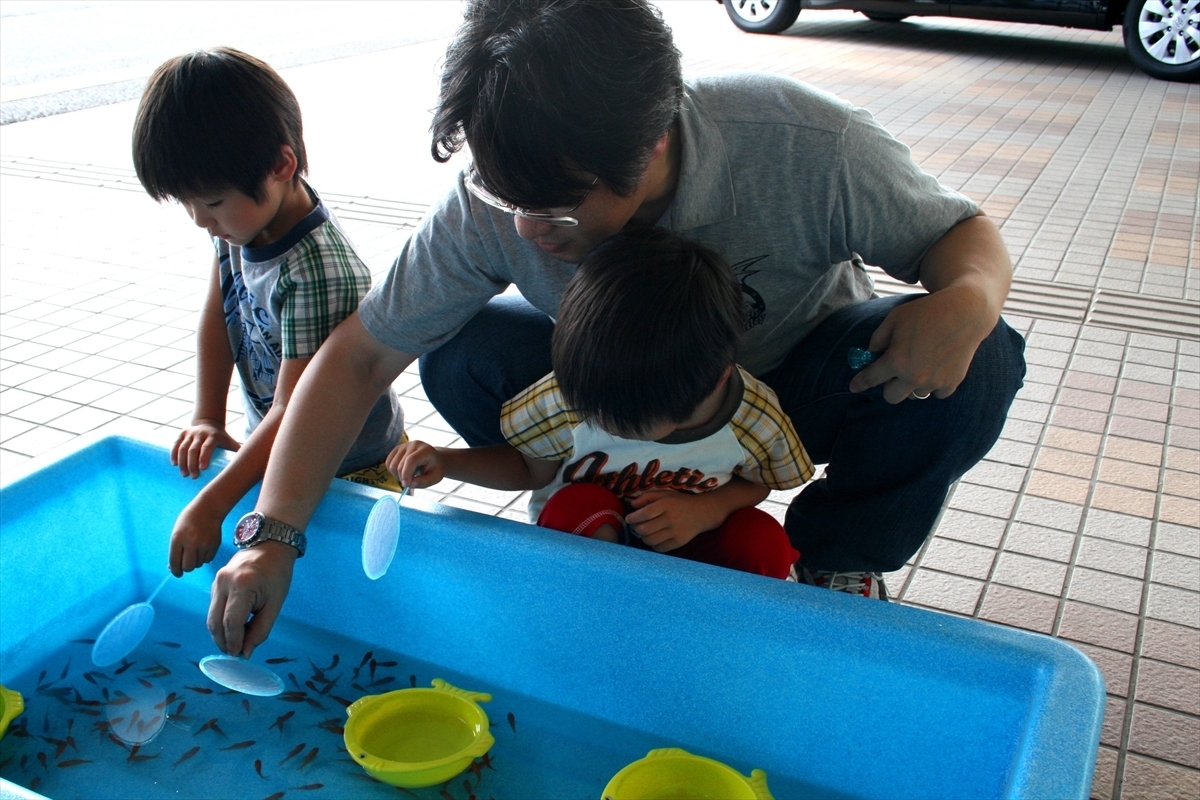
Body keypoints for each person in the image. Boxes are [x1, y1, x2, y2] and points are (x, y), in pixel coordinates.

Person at [206, 0, 1025, 657]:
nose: (527, 229)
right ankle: (586, 488)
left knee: (980, 357)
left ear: (652, 142)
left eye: (558, 208)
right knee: (461, 351)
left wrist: (970, 297)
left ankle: (836, 561)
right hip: (616, 395)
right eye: (504, 197)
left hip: (782, 386)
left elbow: (961, 240)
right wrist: (272, 535)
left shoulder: (803, 141)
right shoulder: (500, 193)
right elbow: (360, 355)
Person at [387, 229, 810, 579]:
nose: (609, 425)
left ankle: (729, 630)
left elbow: (762, 479)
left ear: (716, 377)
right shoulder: (567, 397)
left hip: (695, 552)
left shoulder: (753, 415)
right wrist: (446, 461)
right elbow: (528, 469)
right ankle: (588, 603)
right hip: (590, 547)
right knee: (577, 505)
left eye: (629, 420)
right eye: (599, 412)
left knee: (762, 540)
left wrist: (706, 509)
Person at [131, 47, 405, 579]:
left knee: (346, 581)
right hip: (278, 443)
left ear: (281, 165)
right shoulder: (241, 226)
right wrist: (208, 416)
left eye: (209, 202)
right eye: (187, 204)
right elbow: (218, 318)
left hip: (354, 463)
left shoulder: (319, 272)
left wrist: (212, 504)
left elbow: (294, 410)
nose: (198, 221)